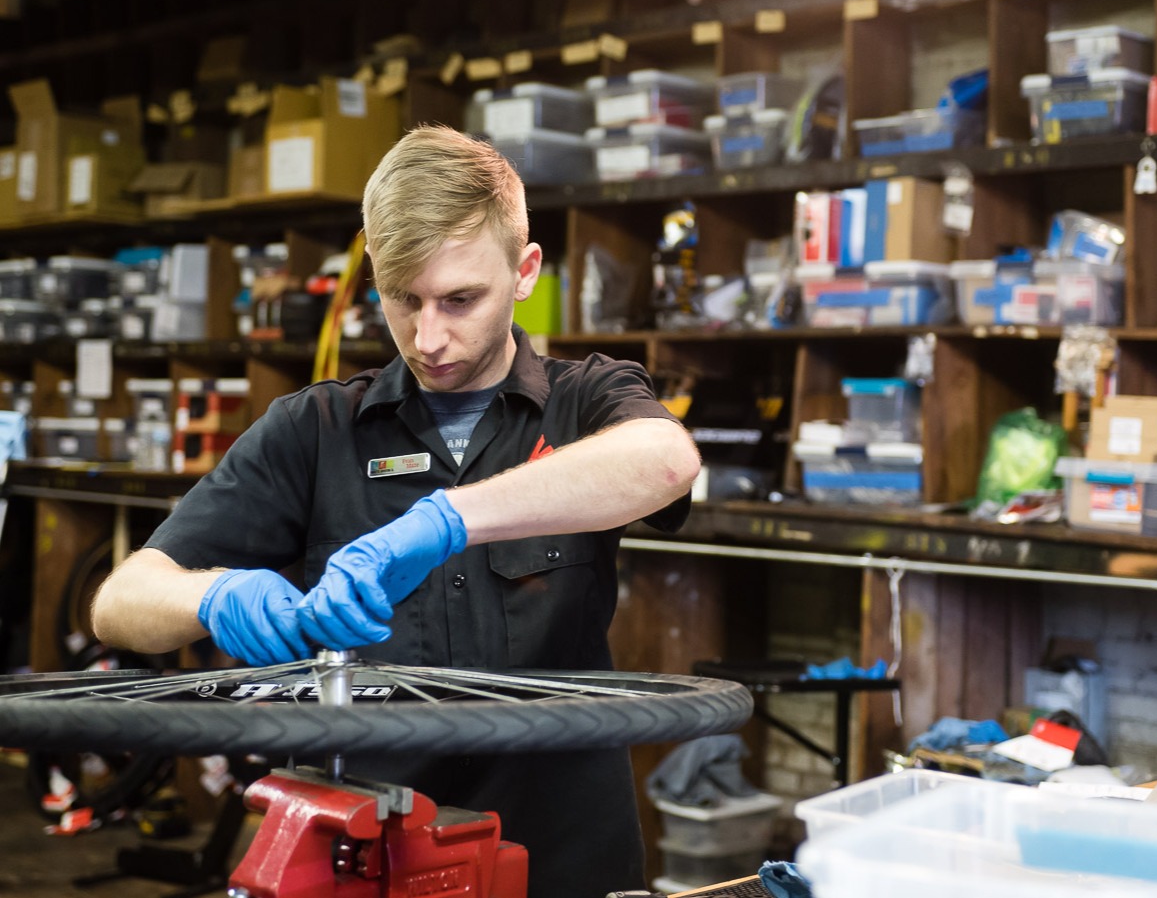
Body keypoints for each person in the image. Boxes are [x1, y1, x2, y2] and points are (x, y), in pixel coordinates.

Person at [91, 124, 701, 898]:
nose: (428, 336)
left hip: (562, 856)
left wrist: (445, 519)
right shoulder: (314, 430)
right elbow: (119, 602)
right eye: (401, 298)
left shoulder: (587, 400)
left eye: (460, 299)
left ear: (524, 271)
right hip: (367, 854)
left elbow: (667, 460)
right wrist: (211, 596)